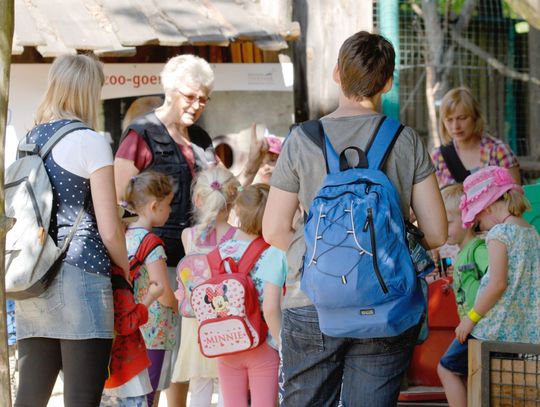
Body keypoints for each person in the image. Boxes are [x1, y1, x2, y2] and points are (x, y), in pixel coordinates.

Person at [262, 31, 447, 405]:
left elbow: (274, 229)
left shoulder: (301, 140)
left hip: (311, 300)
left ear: (336, 74)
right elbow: (438, 231)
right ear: (389, 82)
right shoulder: (405, 139)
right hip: (386, 302)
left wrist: (323, 262)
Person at [14, 54, 130, 406]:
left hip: (33, 276)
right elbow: (109, 230)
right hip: (82, 275)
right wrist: (127, 268)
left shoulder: (29, 139)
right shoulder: (90, 141)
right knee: (82, 398)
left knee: (30, 397)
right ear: (87, 91)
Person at [114, 54, 217, 406]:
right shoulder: (140, 134)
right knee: (154, 354)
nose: (198, 104)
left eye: (204, 98)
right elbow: (119, 199)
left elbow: (218, 191)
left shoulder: (202, 139)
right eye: (191, 96)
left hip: (197, 263)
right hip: (152, 267)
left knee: (184, 354)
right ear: (170, 90)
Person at [438, 166, 540, 407]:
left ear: (488, 206)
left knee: (447, 368)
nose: (479, 227)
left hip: (493, 328)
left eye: (478, 219)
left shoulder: (499, 234)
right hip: (524, 330)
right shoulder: (532, 232)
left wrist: (471, 318)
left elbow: (497, 283)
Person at [171, 167, 240, 406]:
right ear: (231, 201)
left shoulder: (188, 236)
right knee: (228, 385)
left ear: (197, 200)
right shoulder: (239, 237)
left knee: (199, 385)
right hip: (229, 321)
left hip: (197, 324)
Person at [216, 183, 287, 407]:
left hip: (227, 343)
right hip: (263, 344)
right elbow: (271, 308)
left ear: (238, 212)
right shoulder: (273, 252)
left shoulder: (221, 250)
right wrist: (284, 345)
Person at [122, 171, 178, 407]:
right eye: (168, 205)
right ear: (155, 206)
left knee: (134, 396)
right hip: (154, 331)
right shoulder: (152, 244)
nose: (171, 211)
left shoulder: (123, 236)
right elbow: (161, 290)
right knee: (149, 396)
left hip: (130, 327)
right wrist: (178, 305)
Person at [430, 87, 521, 188]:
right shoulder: (437, 157)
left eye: (462, 118)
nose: (455, 126)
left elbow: (516, 199)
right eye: (449, 120)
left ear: (475, 117)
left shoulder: (499, 151)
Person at [101, 267, 164, 407]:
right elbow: (125, 323)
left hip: (101, 368)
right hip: (126, 369)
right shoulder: (116, 275)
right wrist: (151, 297)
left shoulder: (93, 270)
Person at [440, 184, 489, 320]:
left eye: (448, 222)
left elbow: (496, 277)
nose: (443, 228)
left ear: (469, 219)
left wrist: (473, 317)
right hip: (470, 324)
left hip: (480, 325)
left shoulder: (477, 250)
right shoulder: (463, 252)